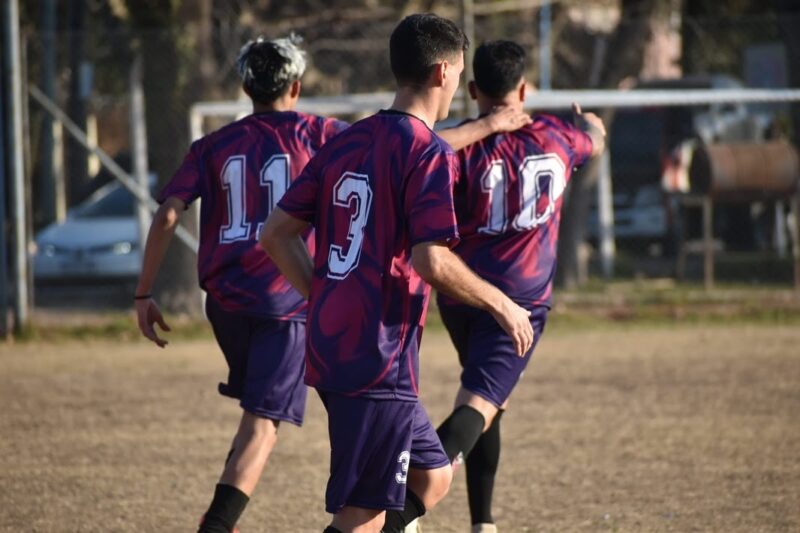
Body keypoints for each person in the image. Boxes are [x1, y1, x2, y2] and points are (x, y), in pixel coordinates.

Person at [260, 14, 535, 533]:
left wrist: (322, 298)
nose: (456, 83)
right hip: (376, 358)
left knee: (433, 476)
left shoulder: (346, 141)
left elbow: (275, 232)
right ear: (441, 72)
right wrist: (501, 303)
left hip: (338, 347)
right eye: (456, 71)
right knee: (361, 517)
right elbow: (431, 260)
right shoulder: (427, 152)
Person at [133, 35, 350, 533]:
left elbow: (168, 214)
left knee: (260, 410)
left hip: (226, 304)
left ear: (245, 87)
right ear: (295, 87)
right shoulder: (320, 133)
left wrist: (144, 293)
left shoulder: (212, 145)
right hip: (285, 302)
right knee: (264, 424)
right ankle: (217, 526)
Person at [433, 40, 606, 533]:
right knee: (478, 405)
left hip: (461, 294)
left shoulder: (460, 139)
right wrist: (590, 124)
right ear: (523, 89)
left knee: (486, 401)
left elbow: (422, 150)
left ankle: (482, 523)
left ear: (472, 90)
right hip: (519, 300)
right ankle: (400, 504)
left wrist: (481, 126)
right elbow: (594, 138)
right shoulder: (558, 135)